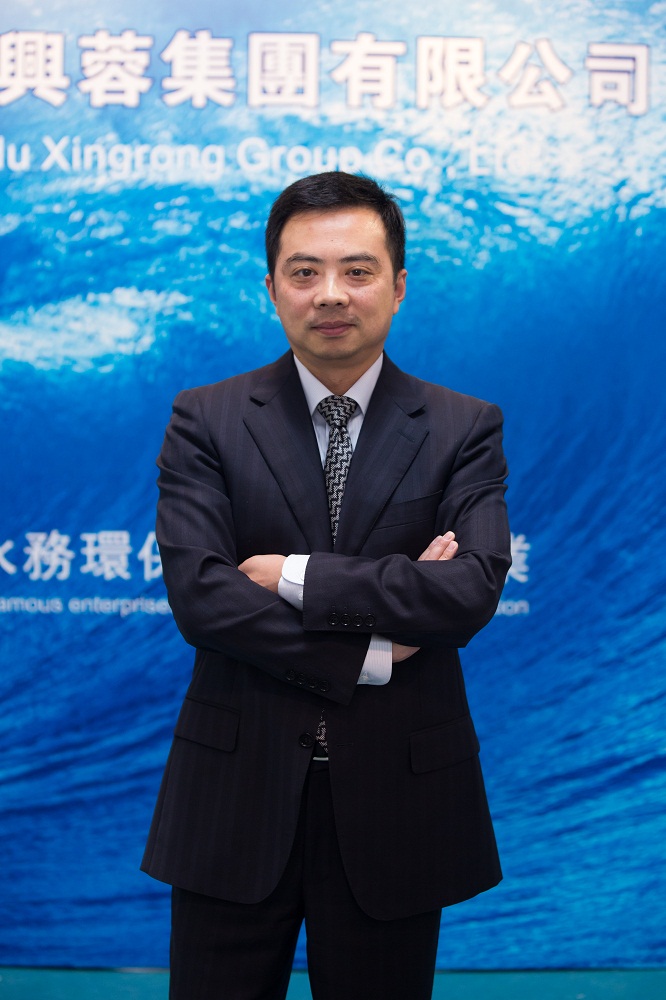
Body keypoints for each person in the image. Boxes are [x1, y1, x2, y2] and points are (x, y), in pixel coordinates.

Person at [142, 171, 511, 1000]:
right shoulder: (206, 419)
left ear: (398, 286)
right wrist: (371, 653)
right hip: (234, 794)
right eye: (304, 271)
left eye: (358, 270)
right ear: (271, 288)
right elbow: (202, 596)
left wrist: (293, 575)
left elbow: (469, 590)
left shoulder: (463, 427)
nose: (331, 294)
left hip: (398, 795)